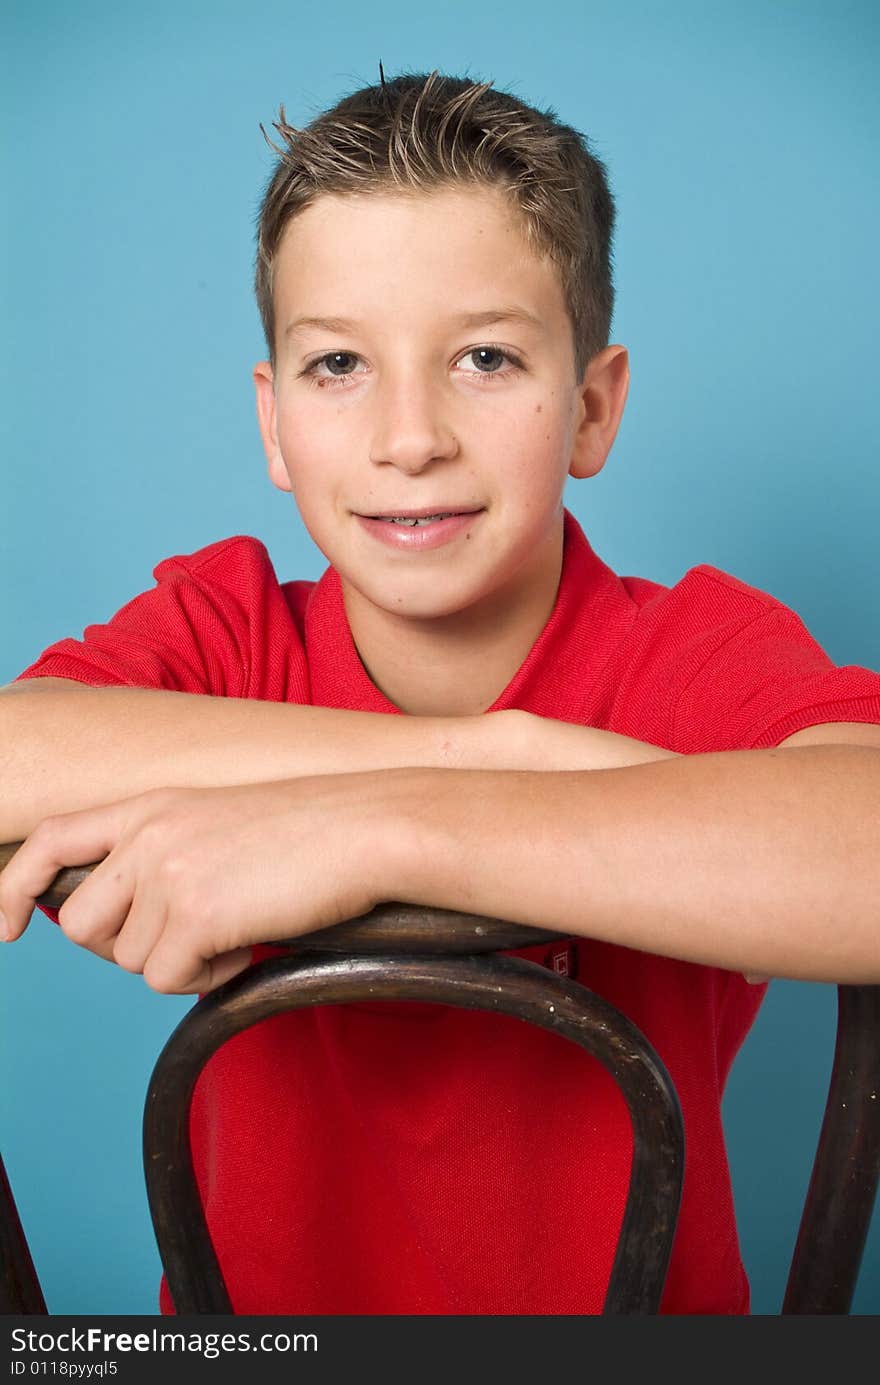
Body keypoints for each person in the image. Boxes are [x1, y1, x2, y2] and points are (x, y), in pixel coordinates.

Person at [1, 67, 879, 1316]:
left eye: (481, 356)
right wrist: (504, 754)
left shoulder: (682, 649)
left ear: (589, 407)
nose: (409, 435)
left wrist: (387, 822)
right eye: (338, 364)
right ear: (272, 422)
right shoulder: (228, 625)